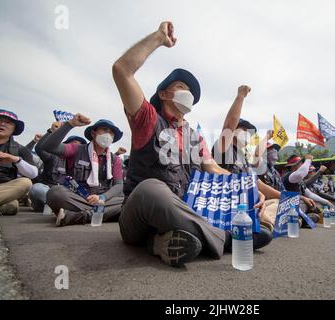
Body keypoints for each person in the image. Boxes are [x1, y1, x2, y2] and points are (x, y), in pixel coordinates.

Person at [112, 21, 269, 268]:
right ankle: (227, 238)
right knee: (151, 188)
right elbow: (122, 70)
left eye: (191, 93)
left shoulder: (195, 137)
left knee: (195, 212)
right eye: (182, 87)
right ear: (164, 94)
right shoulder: (148, 119)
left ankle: (166, 242)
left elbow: (215, 170)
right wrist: (157, 38)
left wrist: (247, 187)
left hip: (181, 211)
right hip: (139, 215)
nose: (188, 94)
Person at [211, 87, 281, 232]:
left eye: (249, 133)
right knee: (269, 208)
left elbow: (258, 184)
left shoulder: (245, 159)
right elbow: (228, 126)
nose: (247, 134)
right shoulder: (223, 148)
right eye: (243, 129)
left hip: (248, 202)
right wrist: (240, 96)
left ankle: (266, 222)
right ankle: (264, 224)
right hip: (229, 203)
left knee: (279, 202)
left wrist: (290, 197)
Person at [41, 116, 124, 227]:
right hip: (77, 198)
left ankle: (80, 216)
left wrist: (102, 197)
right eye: (104, 130)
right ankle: (103, 213)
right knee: (55, 193)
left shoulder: (115, 159)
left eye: (111, 132)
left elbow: (118, 185)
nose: (108, 134)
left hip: (102, 200)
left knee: (128, 201)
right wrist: (70, 124)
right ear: (94, 133)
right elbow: (48, 146)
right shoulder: (77, 149)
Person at [0, 107, 37, 215]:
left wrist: (15, 159)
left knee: (25, 183)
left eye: (8, 122)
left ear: (14, 129)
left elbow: (33, 174)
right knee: (10, 206)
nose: (2, 124)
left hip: (2, 190)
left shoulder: (20, 149)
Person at [29, 121, 87, 212]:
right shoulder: (52, 157)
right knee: (37, 189)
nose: (76, 146)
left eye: (79, 145)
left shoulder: (84, 163)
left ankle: (61, 206)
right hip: (49, 190)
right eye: (73, 144)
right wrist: (51, 131)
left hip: (67, 193)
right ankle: (59, 206)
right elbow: (40, 148)